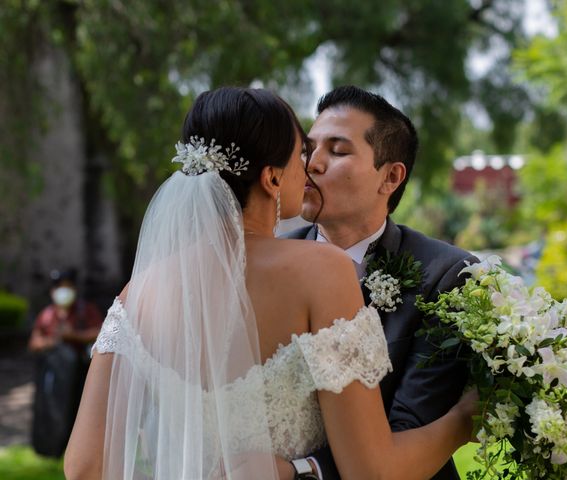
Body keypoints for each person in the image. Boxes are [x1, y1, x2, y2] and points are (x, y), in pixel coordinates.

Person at [64, 87, 477, 480]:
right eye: (302, 154)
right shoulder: (322, 270)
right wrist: (464, 419)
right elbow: (371, 472)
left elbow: (84, 468)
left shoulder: (136, 293)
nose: (311, 166)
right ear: (272, 179)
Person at [284, 85, 477, 480]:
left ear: (390, 177)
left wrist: (296, 472)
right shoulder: (272, 264)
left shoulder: (447, 275)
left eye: (337, 151)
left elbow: (407, 432)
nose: (312, 165)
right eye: (308, 149)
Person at [29, 268, 103, 457]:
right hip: (57, 377)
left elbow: (102, 332)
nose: (64, 292)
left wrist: (75, 336)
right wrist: (51, 342)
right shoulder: (47, 315)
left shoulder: (85, 310)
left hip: (81, 375)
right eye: (60, 288)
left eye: (68, 287)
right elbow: (34, 342)